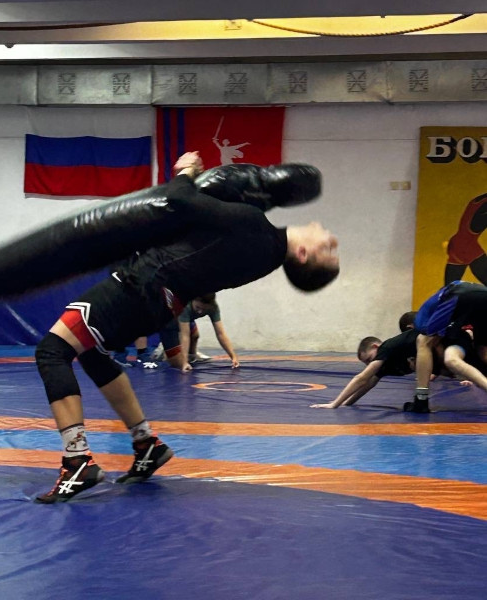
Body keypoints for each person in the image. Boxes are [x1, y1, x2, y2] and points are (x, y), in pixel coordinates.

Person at [33, 151, 340, 502]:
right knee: (93, 353)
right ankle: (146, 444)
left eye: (329, 250)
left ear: (303, 255)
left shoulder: (254, 226)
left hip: (139, 289)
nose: (332, 240)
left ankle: (77, 462)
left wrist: (186, 171)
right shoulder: (264, 255)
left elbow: (179, 200)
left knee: (52, 351)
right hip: (163, 305)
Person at [310, 327, 479, 410]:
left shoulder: (386, 348)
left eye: (369, 359)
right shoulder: (386, 363)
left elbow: (361, 378)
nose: (370, 365)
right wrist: (347, 403)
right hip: (442, 355)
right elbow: (367, 385)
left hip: (451, 341)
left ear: (376, 347)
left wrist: (335, 403)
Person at [408, 280, 487, 413]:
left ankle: (421, 399)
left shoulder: (420, 321)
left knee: (423, 340)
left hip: (460, 295)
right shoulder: (449, 314)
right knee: (483, 350)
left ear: (409, 327)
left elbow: (431, 338)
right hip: (480, 294)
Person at [179, 293, 239, 369]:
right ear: (192, 299)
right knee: (176, 361)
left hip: (187, 319)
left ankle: (192, 356)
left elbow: (220, 333)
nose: (200, 312)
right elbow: (185, 336)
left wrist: (233, 356)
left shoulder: (213, 307)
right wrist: (184, 362)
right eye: (197, 307)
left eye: (204, 309)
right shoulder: (185, 306)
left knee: (195, 336)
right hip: (170, 321)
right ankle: (170, 354)